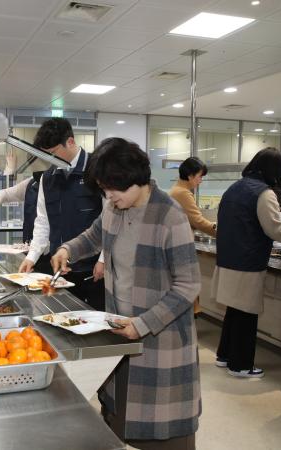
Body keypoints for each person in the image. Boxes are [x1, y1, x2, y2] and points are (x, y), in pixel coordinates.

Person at [51, 138, 201, 449]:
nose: (108, 197)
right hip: (121, 331)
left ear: (135, 179)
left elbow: (188, 285)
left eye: (112, 190)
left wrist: (143, 323)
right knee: (119, 420)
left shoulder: (169, 216)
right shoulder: (114, 207)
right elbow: (94, 236)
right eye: (104, 190)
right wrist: (68, 249)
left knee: (161, 430)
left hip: (160, 340)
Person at [213, 147, 281, 378]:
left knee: (234, 312)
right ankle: (241, 366)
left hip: (228, 258)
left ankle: (225, 356)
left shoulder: (235, 187)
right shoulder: (263, 193)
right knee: (247, 314)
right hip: (248, 261)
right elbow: (274, 229)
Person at [18, 118, 105, 310]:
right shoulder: (47, 179)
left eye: (53, 153)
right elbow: (42, 223)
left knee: (93, 326)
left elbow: (111, 220)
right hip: (59, 268)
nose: (50, 159)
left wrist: (104, 260)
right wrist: (31, 257)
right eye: (46, 155)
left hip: (93, 269)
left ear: (71, 142)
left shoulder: (97, 170)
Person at [169, 156, 216, 316]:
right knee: (188, 289)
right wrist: (221, 232)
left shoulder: (176, 190)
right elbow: (198, 221)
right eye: (200, 176)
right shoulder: (183, 193)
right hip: (182, 246)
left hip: (175, 245)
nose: (201, 180)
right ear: (190, 176)